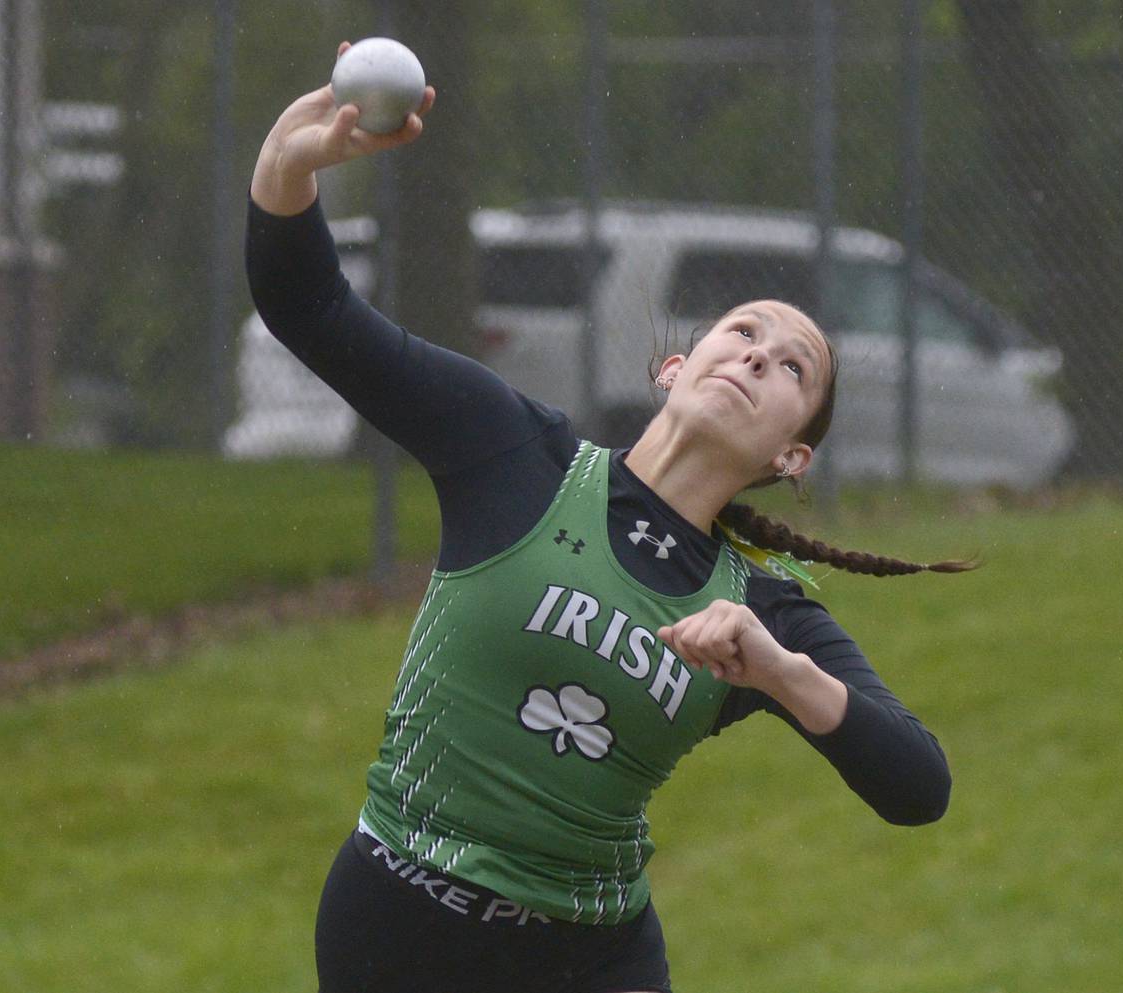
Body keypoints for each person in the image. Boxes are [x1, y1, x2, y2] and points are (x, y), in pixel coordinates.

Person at [248, 43, 964, 993]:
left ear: (792, 457)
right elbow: (311, 306)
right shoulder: (510, 450)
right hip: (402, 919)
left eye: (794, 368)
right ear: (675, 367)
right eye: (742, 332)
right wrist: (288, 168)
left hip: (592, 958)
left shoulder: (758, 614)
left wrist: (783, 674)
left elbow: (921, 788)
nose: (757, 357)